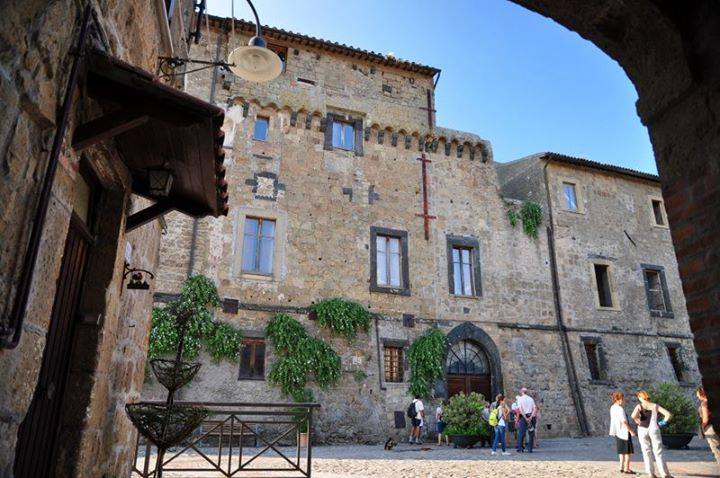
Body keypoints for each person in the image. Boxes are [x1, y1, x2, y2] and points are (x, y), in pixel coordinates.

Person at [631, 390, 673, 478]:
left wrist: (638, 421)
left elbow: (633, 416)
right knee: (658, 452)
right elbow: (668, 414)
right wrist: (661, 423)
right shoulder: (655, 405)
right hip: (654, 428)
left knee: (646, 451)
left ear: (640, 397)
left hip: (642, 429)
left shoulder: (639, 406)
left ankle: (650, 473)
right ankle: (664, 474)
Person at [609, 391, 636, 474]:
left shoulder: (612, 407)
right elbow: (624, 422)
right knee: (628, 452)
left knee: (621, 451)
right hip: (624, 432)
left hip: (617, 431)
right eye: (622, 399)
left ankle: (621, 467)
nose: (623, 401)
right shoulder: (620, 409)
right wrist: (631, 431)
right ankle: (627, 468)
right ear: (618, 399)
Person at [697, 386, 720, 465]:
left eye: (698, 394)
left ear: (702, 394)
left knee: (716, 450)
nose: (697, 396)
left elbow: (705, 419)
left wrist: (702, 427)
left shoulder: (704, 403)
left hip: (710, 428)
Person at [516, 387, 537, 453]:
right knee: (531, 433)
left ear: (522, 392)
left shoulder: (520, 399)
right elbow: (535, 408)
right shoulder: (531, 399)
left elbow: (520, 409)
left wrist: (525, 418)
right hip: (531, 416)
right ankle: (530, 449)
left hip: (523, 417)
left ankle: (520, 448)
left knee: (521, 433)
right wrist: (530, 417)